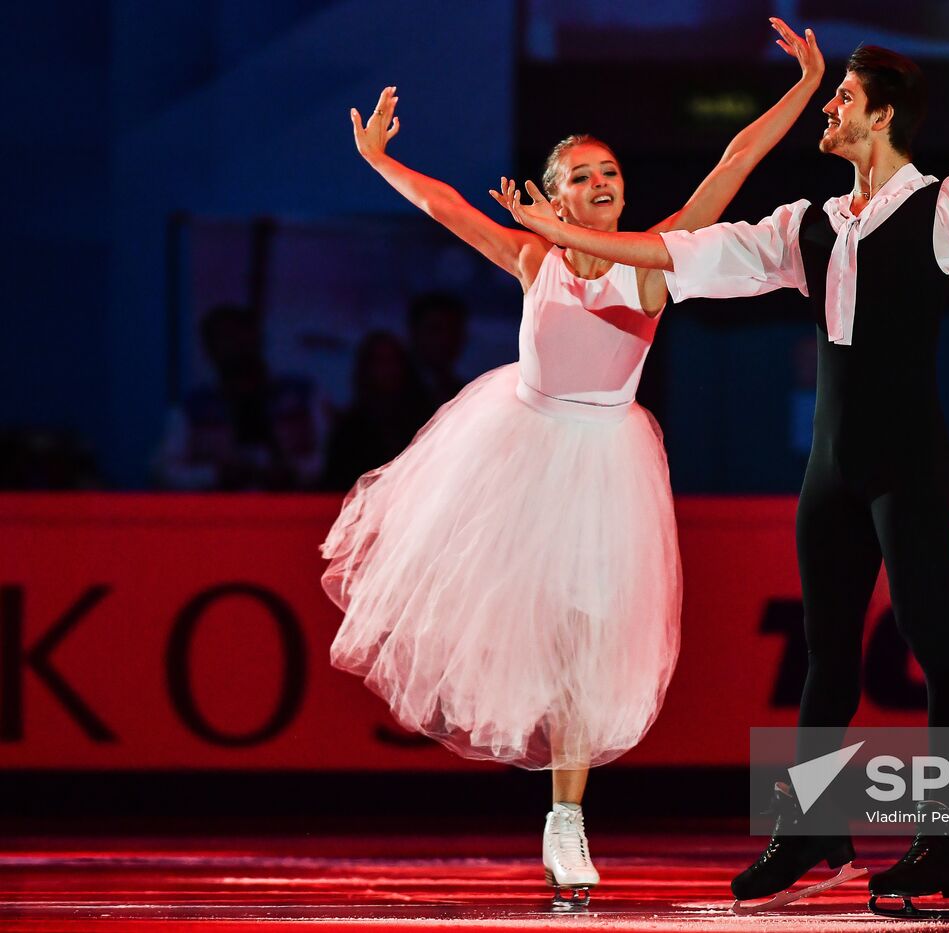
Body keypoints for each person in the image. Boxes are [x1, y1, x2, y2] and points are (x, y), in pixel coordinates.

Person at [498, 44, 949, 917]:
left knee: (940, 651)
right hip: (830, 466)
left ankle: (946, 838)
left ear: (881, 116)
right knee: (827, 657)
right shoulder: (805, 224)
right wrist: (563, 236)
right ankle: (814, 825)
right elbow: (679, 250)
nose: (830, 111)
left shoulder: (945, 204)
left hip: (906, 461)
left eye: (841, 98)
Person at [320, 19, 825, 908]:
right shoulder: (534, 257)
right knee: (535, 635)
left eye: (610, 173)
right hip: (517, 451)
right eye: (582, 177)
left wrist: (803, 86)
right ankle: (559, 805)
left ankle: (567, 815)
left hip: (605, 464)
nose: (601, 185)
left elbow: (733, 163)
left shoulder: (660, 256)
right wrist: (376, 160)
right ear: (552, 197)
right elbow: (446, 206)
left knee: (587, 647)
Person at [154, 304, 326, 491]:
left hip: (294, 508)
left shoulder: (303, 396)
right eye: (224, 339)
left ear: (257, 339)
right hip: (222, 512)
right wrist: (214, 475)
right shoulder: (193, 409)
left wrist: (293, 471)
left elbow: (332, 458)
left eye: (241, 337)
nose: (235, 347)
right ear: (208, 349)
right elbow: (164, 471)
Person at [320, 331, 432, 491]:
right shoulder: (350, 429)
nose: (387, 369)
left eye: (393, 360)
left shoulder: (424, 420)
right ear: (366, 368)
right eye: (379, 361)